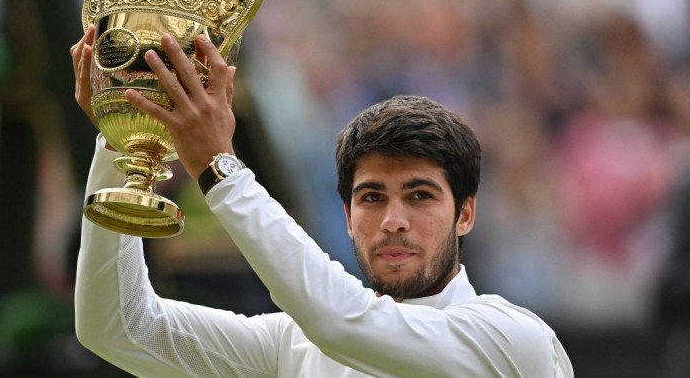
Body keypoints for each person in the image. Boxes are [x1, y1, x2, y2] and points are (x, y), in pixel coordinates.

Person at [70, 27, 573, 377]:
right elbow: (116, 326)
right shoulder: (296, 344)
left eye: (419, 196)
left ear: (465, 214)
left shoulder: (513, 340)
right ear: (348, 218)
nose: (393, 221)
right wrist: (124, 138)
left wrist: (220, 168)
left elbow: (342, 324)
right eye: (371, 197)